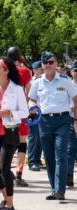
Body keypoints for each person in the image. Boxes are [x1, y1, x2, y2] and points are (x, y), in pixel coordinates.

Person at [28, 52, 77, 200]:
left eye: (51, 62)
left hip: (62, 120)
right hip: (44, 121)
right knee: (49, 156)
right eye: (45, 62)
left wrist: (75, 120)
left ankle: (60, 190)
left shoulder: (65, 80)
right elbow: (31, 100)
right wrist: (33, 110)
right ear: (42, 65)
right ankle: (54, 188)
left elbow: (75, 99)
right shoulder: (37, 82)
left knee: (60, 154)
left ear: (56, 63)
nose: (48, 65)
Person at [0, 57, 28, 210]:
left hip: (9, 131)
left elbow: (25, 112)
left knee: (5, 168)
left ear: (6, 71)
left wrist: (8, 113)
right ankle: (5, 195)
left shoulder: (16, 89)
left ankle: (10, 204)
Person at [7, 46, 32, 187]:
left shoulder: (3, 70)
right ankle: (19, 174)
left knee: (6, 143)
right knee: (22, 143)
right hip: (20, 113)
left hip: (5, 112)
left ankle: (4, 171)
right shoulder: (23, 71)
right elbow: (30, 92)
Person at [27, 61, 44, 171]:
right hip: (32, 112)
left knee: (41, 137)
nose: (43, 71)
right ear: (35, 70)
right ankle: (32, 161)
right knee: (33, 137)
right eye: (40, 69)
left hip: (42, 112)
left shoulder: (43, 81)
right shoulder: (30, 82)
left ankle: (37, 160)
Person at [67, 60, 77, 187]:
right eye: (76, 70)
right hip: (70, 120)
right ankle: (68, 176)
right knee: (70, 150)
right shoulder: (67, 85)